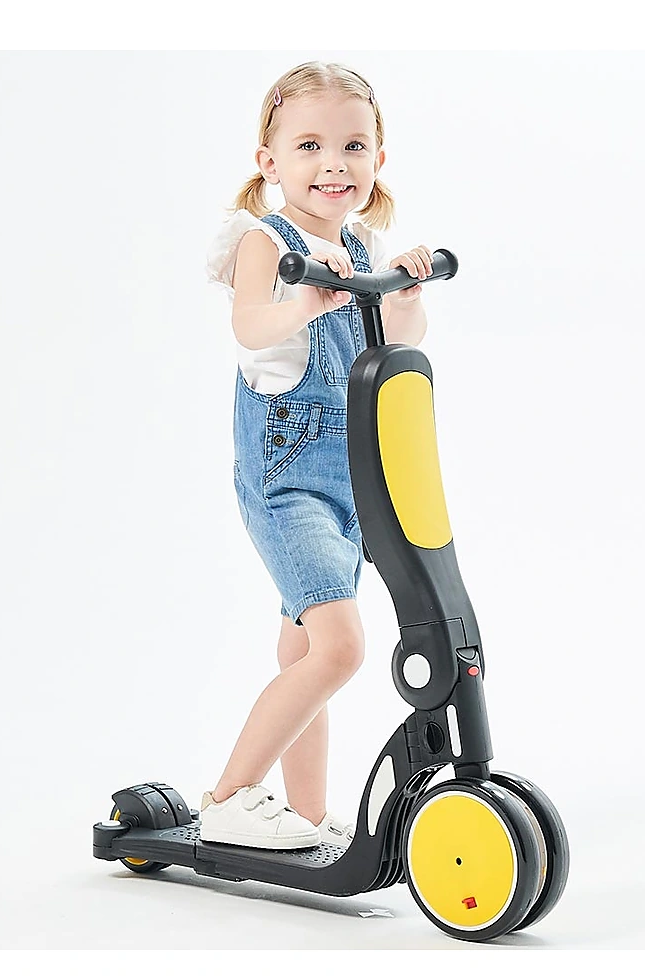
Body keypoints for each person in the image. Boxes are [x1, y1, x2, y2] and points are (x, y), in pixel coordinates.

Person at [202, 61, 433, 851]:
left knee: (303, 650)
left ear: (378, 159)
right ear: (270, 162)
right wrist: (305, 300)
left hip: (351, 479)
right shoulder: (266, 244)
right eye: (309, 146)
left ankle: (304, 814)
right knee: (341, 648)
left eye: (353, 146)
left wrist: (403, 297)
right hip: (286, 481)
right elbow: (250, 328)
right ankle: (230, 797)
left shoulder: (364, 246)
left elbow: (395, 342)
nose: (334, 164)